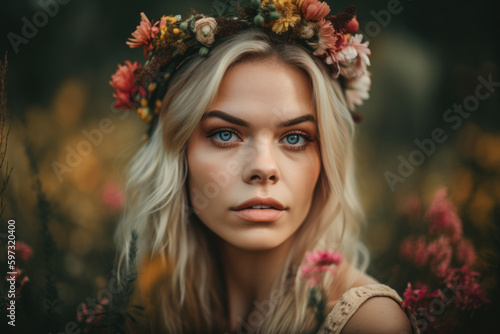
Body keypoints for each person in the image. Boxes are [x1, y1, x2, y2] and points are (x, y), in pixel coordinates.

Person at [110, 1, 418, 333]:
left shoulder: (370, 324)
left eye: (296, 138)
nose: (263, 168)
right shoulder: (154, 305)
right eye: (226, 134)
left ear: (327, 159)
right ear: (178, 152)